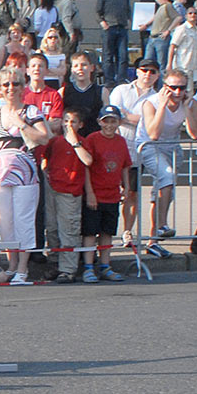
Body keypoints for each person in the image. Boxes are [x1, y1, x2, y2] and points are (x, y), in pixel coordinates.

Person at [0, 66, 52, 285]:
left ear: (23, 87)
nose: (11, 88)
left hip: (26, 174)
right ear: (0, 89)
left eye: (15, 84)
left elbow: (44, 137)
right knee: (5, 223)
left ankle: (23, 267)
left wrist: (21, 124)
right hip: (1, 172)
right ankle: (12, 265)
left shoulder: (31, 111)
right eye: (6, 84)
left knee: (24, 220)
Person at [135, 66, 192, 257]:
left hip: (172, 147)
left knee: (164, 190)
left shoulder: (186, 102)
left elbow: (193, 133)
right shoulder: (150, 103)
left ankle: (153, 240)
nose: (177, 92)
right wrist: (162, 105)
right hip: (149, 145)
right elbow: (153, 133)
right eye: (173, 88)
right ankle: (161, 225)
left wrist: (187, 107)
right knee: (166, 177)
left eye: (182, 88)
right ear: (164, 86)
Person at [109, 58, 160, 248]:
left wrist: (127, 117)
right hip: (114, 149)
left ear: (157, 76)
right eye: (144, 69)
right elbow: (114, 116)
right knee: (111, 193)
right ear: (136, 71)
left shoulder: (156, 97)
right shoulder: (121, 90)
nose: (148, 74)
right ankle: (105, 233)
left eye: (152, 71)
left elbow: (149, 123)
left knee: (132, 194)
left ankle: (127, 232)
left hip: (138, 153)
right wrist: (137, 119)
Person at [81, 106, 132, 281]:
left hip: (112, 194)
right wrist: (90, 192)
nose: (109, 125)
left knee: (107, 232)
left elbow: (125, 165)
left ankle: (105, 265)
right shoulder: (92, 139)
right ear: (99, 122)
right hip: (96, 193)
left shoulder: (121, 141)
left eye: (113, 121)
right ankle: (88, 267)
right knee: (89, 233)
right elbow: (86, 167)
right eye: (106, 121)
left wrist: (125, 187)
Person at [42, 107, 92, 282]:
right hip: (53, 188)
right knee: (52, 228)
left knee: (69, 230)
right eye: (66, 121)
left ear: (80, 125)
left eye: (73, 122)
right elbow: (45, 158)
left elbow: (88, 161)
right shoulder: (55, 141)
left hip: (70, 192)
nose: (69, 125)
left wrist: (74, 143)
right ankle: (55, 262)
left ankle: (68, 269)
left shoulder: (83, 142)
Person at [95, 0, 132, 85]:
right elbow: (97, 11)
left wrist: (128, 21)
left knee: (123, 56)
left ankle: (121, 80)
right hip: (109, 28)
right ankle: (109, 80)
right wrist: (102, 23)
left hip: (122, 28)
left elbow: (128, 10)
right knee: (108, 56)